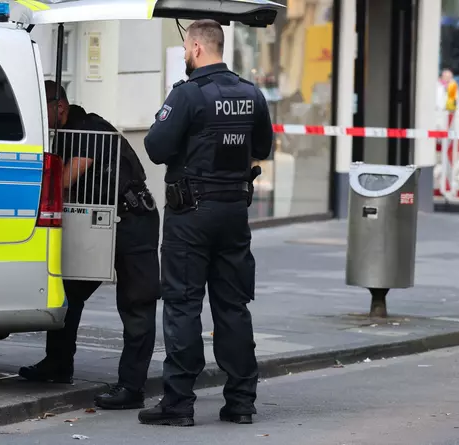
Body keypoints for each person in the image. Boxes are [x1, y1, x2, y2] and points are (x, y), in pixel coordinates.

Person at [137, 19, 273, 427]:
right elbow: (262, 148)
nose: (183, 54)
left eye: (184, 48)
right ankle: (241, 402)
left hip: (191, 216)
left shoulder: (188, 95)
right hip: (234, 213)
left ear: (196, 48)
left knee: (182, 305)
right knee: (233, 306)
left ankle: (178, 404)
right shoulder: (252, 93)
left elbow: (156, 147)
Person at [19, 81, 161, 411]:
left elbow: (66, 178)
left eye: (45, 112)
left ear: (60, 108)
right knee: (68, 292)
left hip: (132, 220)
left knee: (136, 303)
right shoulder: (69, 131)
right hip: (100, 221)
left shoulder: (88, 129)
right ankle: (58, 365)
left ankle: (131, 387)